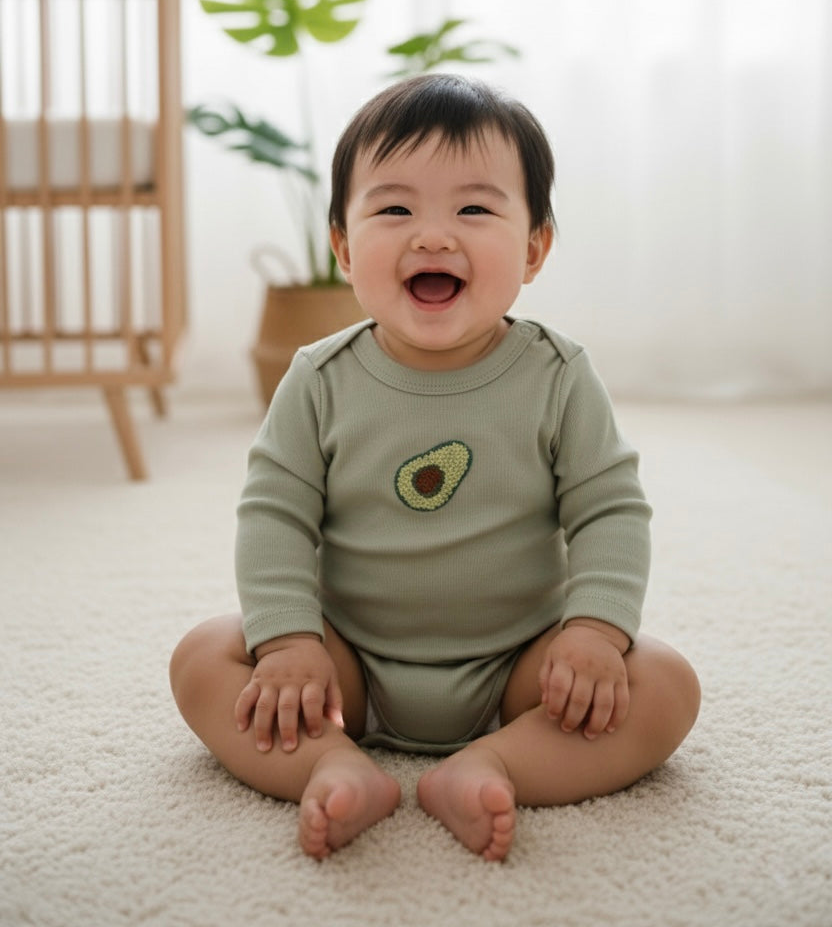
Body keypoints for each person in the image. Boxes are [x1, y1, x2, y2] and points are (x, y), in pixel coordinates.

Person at [170, 73, 700, 862]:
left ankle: (495, 763)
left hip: (522, 668)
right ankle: (337, 763)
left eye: (474, 209)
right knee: (203, 658)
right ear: (344, 248)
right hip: (347, 662)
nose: (432, 235)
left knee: (664, 683)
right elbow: (275, 514)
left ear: (534, 247)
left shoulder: (557, 374)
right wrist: (288, 645)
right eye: (394, 209)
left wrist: (591, 632)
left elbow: (610, 509)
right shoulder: (319, 378)